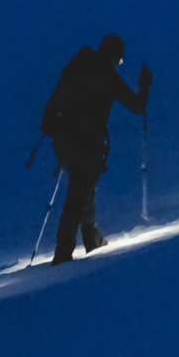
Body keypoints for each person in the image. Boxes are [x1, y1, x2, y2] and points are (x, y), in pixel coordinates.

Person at [42, 34, 152, 263]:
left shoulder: (77, 67)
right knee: (79, 193)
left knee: (84, 188)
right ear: (114, 56)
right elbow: (136, 105)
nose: (118, 64)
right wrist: (145, 86)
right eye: (120, 60)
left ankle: (92, 239)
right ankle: (63, 252)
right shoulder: (107, 75)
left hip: (63, 139)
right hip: (86, 142)